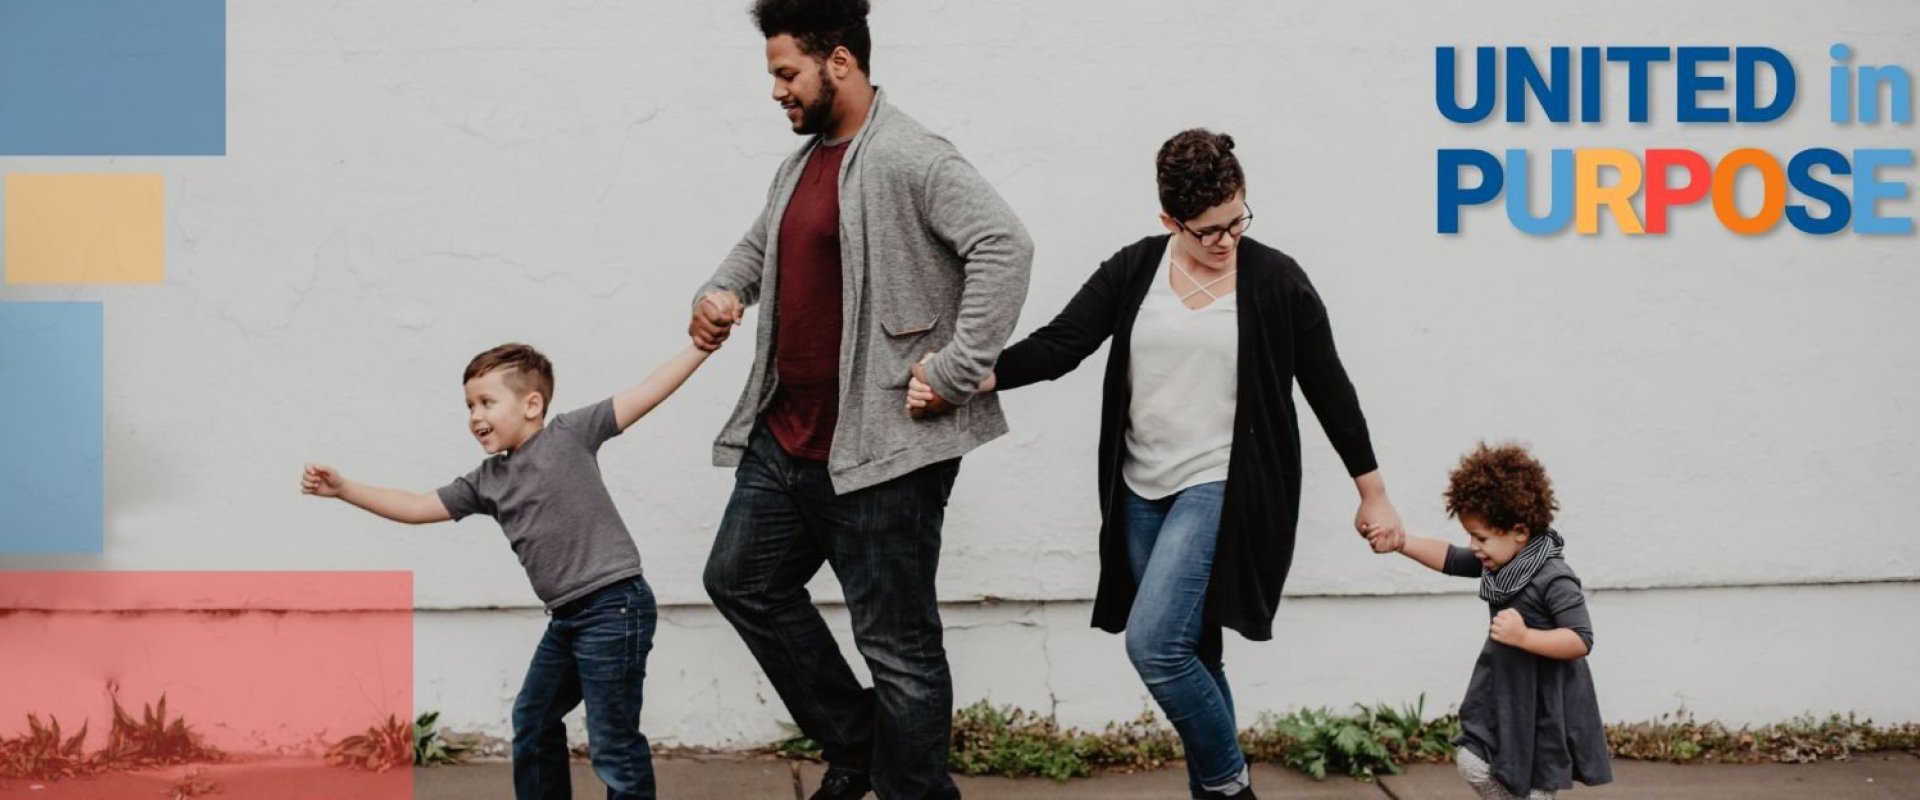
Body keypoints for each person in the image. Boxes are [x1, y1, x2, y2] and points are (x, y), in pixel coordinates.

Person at [911, 129, 1406, 800]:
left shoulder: (1277, 281)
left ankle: (1230, 786)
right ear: (1169, 219)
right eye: (1208, 231)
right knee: (1195, 649)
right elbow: (1061, 344)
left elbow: (1330, 389)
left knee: (1154, 646)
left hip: (1222, 482)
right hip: (1140, 489)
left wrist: (1372, 493)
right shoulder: (1135, 269)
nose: (1227, 240)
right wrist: (964, 377)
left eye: (1237, 221)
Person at [687, 1, 1033, 797]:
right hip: (788, 438)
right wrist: (722, 290)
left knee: (899, 649)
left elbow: (1004, 245)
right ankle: (863, 747)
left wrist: (953, 370)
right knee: (741, 581)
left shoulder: (910, 155)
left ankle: (910, 785)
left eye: (785, 73)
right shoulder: (803, 160)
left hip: (882, 449)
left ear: (838, 62)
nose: (776, 90)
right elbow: (762, 240)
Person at [302, 341, 711, 800]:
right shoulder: (487, 481)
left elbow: (647, 393)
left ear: (531, 404)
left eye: (486, 402)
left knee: (612, 742)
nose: (475, 416)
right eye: (469, 405)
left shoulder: (569, 435)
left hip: (615, 606)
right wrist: (344, 489)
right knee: (533, 720)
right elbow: (417, 506)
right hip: (568, 619)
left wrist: (700, 347)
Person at [1392, 442, 1613, 800]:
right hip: (1505, 692)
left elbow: (1580, 638)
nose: (1473, 546)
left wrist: (1525, 637)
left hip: (1544, 704)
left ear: (1520, 532)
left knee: (1536, 790)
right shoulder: (1499, 563)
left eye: (1481, 537)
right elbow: (1450, 558)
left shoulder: (1554, 577)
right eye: (1470, 535)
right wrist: (1401, 542)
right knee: (1473, 761)